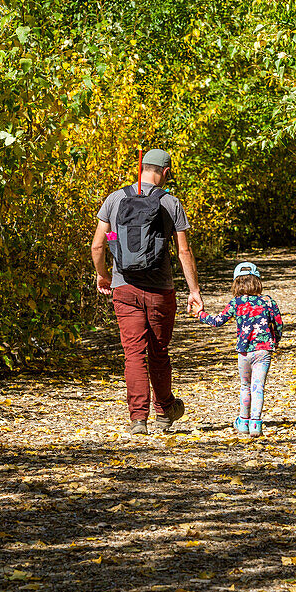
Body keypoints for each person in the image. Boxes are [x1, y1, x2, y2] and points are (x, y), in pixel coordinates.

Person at [91, 149, 204, 434]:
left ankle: (137, 419)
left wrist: (103, 275)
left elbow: (97, 246)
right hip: (160, 290)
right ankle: (165, 411)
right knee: (159, 352)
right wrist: (194, 291)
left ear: (141, 167)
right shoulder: (170, 203)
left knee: (133, 355)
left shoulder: (115, 199)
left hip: (124, 287)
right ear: (165, 172)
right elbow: (183, 251)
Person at [195, 262, 283, 437]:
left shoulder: (236, 302)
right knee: (258, 387)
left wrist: (201, 314)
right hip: (263, 351)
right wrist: (276, 341)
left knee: (245, 386)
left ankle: (243, 421)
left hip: (244, 352)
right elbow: (278, 324)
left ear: (236, 283)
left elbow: (217, 321)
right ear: (257, 281)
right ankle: (256, 424)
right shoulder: (268, 301)